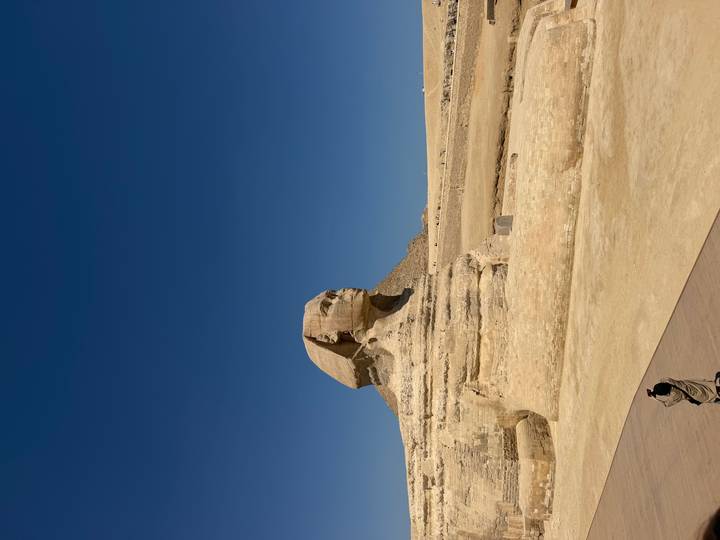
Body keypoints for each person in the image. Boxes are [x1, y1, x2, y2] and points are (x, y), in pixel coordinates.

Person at [647, 372, 720, 407]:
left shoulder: (675, 396)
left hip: (698, 395)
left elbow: (665, 404)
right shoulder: (668, 380)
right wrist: (653, 390)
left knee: (712, 398)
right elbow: (661, 381)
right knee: (710, 386)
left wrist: (654, 398)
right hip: (695, 385)